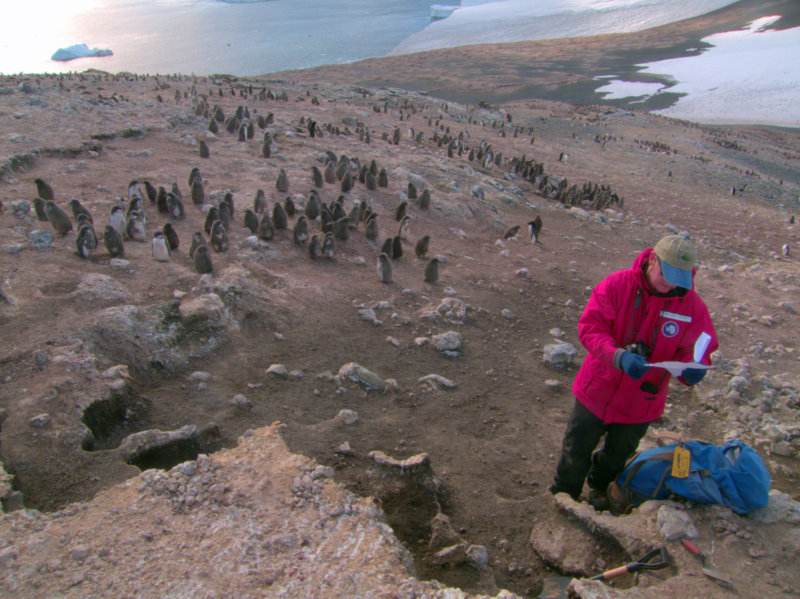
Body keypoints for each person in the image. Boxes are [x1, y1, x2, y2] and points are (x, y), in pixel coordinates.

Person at [550, 234, 718, 510]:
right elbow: (590, 328)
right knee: (576, 447)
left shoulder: (693, 308)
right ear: (653, 259)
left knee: (618, 455)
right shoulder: (617, 285)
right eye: (667, 274)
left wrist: (693, 369)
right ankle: (565, 491)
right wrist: (618, 355)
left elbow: (698, 349)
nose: (672, 283)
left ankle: (600, 486)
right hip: (597, 389)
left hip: (641, 402)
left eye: (680, 277)